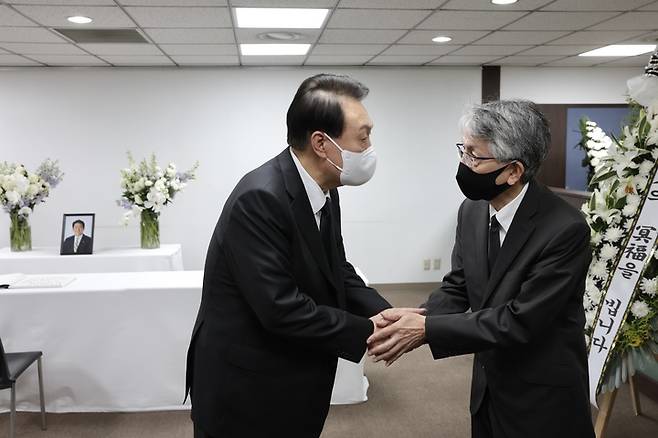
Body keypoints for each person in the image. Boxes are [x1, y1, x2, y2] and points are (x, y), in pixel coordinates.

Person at [185, 73, 421, 438]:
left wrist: (383, 311)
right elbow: (281, 308)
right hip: (247, 387)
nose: (370, 147)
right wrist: (371, 331)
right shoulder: (260, 198)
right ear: (321, 144)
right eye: (363, 136)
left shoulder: (325, 188)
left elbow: (336, 269)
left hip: (293, 375)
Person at [367, 100, 595, 438]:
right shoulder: (472, 210)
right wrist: (418, 315)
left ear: (514, 171)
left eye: (475, 155)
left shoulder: (565, 229)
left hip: (542, 398)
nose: (463, 163)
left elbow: (519, 320)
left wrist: (427, 329)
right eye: (463, 150)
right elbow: (460, 284)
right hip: (488, 388)